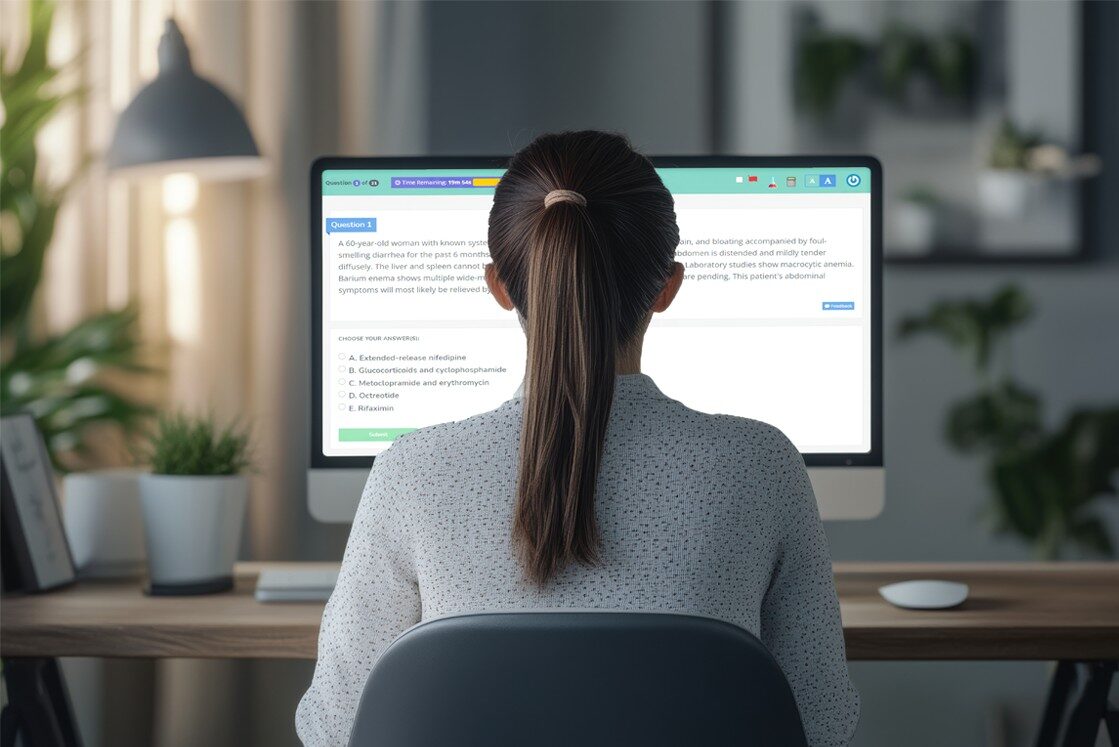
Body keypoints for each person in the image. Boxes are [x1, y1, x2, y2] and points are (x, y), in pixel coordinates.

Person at [296, 131, 859, 746]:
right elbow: (819, 725)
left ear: (501, 286)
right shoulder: (762, 464)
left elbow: (335, 730)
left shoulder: (411, 472)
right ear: (667, 287)